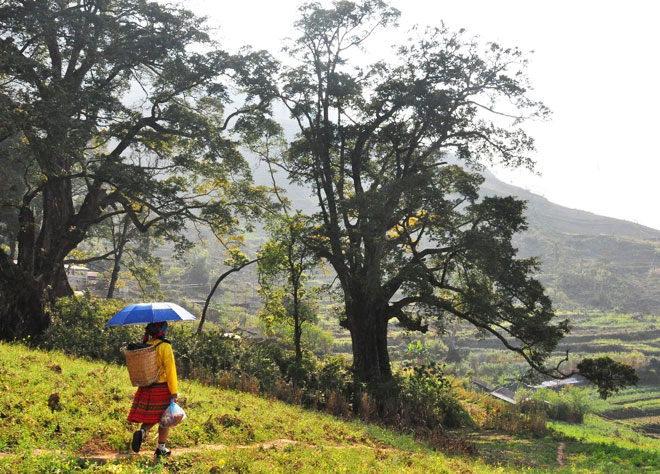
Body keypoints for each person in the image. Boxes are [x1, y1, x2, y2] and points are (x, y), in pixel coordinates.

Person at [127, 321, 179, 458]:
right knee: (165, 419)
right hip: (162, 388)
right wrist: (174, 391)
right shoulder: (165, 346)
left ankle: (142, 432)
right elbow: (170, 370)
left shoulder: (146, 346)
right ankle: (161, 448)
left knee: (153, 415)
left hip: (147, 386)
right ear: (162, 331)